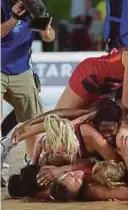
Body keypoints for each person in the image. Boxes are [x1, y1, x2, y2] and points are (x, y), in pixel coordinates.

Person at [55, 18, 128, 143]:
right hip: (88, 77)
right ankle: (34, 139)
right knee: (57, 124)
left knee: (83, 122)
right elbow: (127, 103)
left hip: (110, 88)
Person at [1, 0, 55, 171]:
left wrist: (46, 32)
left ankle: (31, 161)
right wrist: (15, 18)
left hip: (21, 69)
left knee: (34, 117)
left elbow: (50, 36)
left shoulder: (34, 5)